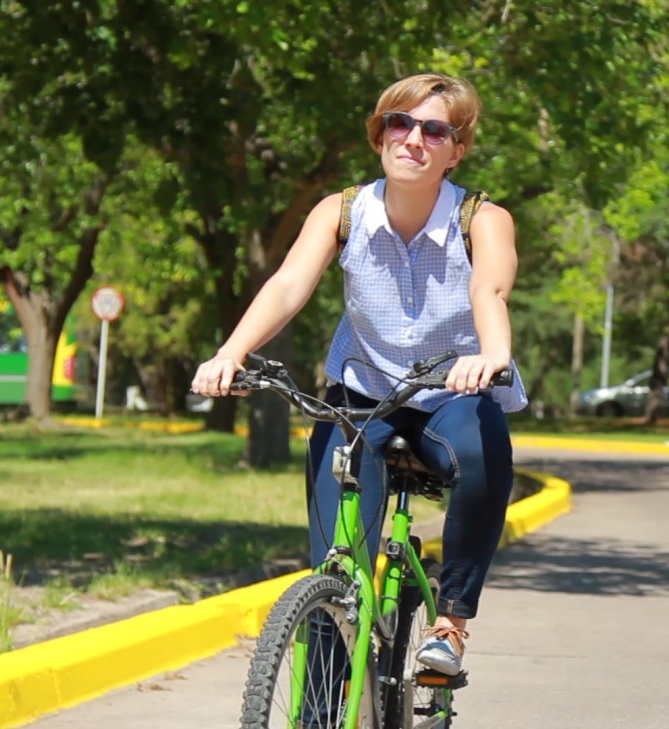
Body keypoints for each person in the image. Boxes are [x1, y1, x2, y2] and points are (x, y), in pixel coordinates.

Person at [190, 72, 527, 676]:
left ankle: (450, 623)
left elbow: (490, 288)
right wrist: (230, 353)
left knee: (483, 449)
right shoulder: (342, 210)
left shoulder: (482, 218)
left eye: (434, 130)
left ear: (458, 148)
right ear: (380, 135)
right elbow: (290, 284)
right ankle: (329, 683)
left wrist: (493, 355)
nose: (413, 139)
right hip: (361, 395)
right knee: (334, 574)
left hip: (453, 391)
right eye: (400, 124)